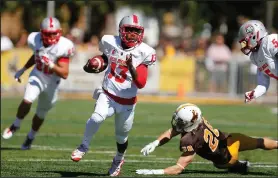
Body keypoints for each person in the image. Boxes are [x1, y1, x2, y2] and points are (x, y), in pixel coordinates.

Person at [70, 14, 156, 176]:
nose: (132, 34)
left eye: (135, 31)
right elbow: (104, 60)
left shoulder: (145, 52)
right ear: (121, 30)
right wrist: (91, 66)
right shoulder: (109, 41)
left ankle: (119, 158)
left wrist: (131, 67)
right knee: (97, 117)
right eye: (129, 30)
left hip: (127, 102)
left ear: (141, 33)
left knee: (121, 137)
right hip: (107, 94)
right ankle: (84, 146)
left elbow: (141, 83)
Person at [136, 103, 278, 175]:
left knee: (223, 164)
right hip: (228, 140)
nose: (177, 122)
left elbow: (179, 168)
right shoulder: (198, 119)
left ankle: (239, 166)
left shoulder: (190, 140)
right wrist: (155, 143)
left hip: (226, 157)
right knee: (258, 142)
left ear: (190, 122)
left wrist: (155, 172)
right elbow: (171, 131)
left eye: (180, 120)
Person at [2, 17, 75, 150]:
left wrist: (51, 65)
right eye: (48, 33)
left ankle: (30, 137)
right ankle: (16, 124)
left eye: (54, 33)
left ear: (59, 32)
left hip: (53, 82)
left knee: (41, 113)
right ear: (41, 32)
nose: (51, 36)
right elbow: (36, 55)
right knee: (27, 99)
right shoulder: (34, 39)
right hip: (38, 75)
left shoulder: (64, 46)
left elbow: (64, 73)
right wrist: (22, 70)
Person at [238, 20, 278, 103]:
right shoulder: (255, 57)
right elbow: (263, 84)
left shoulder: (270, 41)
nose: (244, 45)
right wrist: (254, 93)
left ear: (254, 36)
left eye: (245, 42)